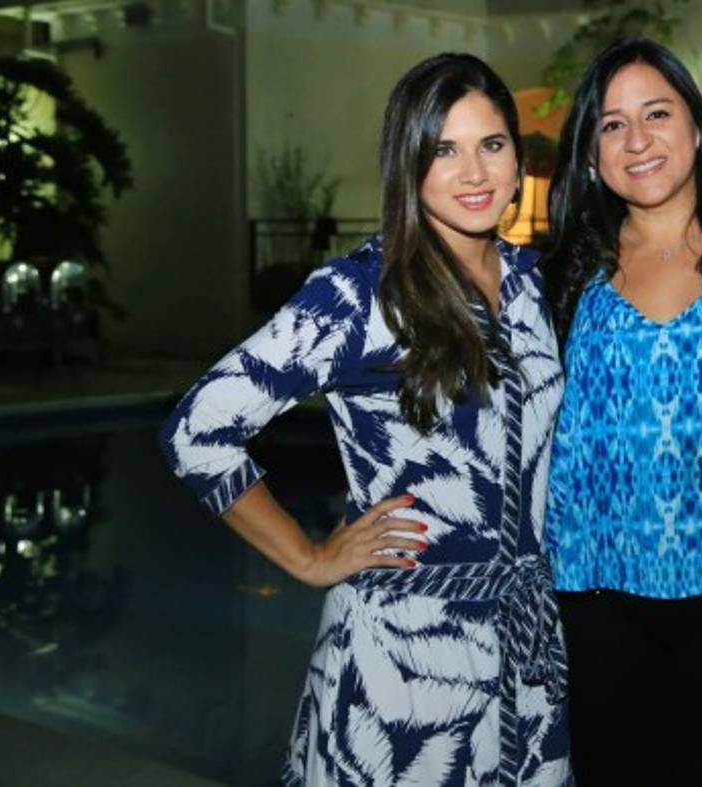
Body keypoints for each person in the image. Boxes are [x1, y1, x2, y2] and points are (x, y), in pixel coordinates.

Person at [159, 54, 570, 786]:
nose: (473, 172)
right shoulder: (359, 295)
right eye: (443, 149)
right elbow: (198, 429)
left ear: (518, 157)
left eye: (492, 144)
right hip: (405, 670)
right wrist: (310, 557)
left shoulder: (534, 284)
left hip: (527, 659)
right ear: (406, 163)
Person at [542, 37, 702, 786]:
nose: (637, 139)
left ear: (696, 131)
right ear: (590, 151)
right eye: (612, 125)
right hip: (599, 598)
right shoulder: (562, 272)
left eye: (656, 114)